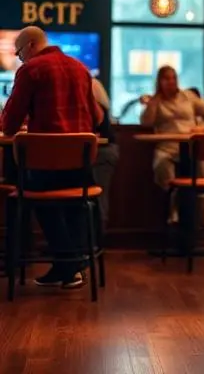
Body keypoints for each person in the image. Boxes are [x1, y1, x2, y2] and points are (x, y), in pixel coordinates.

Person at [1, 26, 102, 289]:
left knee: (34, 194)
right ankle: (69, 264)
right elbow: (98, 118)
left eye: (20, 51)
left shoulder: (30, 70)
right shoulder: (80, 68)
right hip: (81, 167)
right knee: (72, 202)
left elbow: (10, 124)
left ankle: (67, 263)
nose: (19, 58)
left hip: (45, 166)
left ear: (32, 45)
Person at [140, 66, 204, 225]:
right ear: (159, 81)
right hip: (167, 146)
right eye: (166, 78)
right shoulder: (156, 101)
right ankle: (173, 209)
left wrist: (203, 127)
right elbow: (146, 122)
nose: (170, 81)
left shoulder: (188, 96)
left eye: (173, 78)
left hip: (192, 145)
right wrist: (151, 103)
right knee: (160, 163)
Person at [91, 78, 119, 231]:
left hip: (101, 152)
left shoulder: (93, 108)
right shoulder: (99, 105)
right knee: (98, 197)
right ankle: (93, 244)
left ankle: (93, 242)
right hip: (103, 151)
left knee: (98, 198)